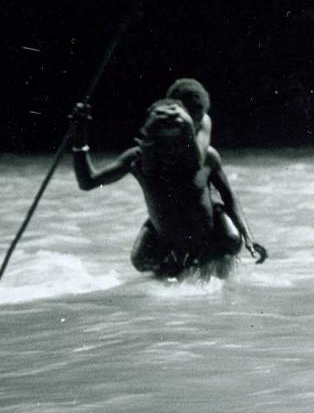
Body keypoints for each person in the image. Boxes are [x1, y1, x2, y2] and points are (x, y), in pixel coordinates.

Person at [69, 98, 264, 277]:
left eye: (177, 142)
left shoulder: (206, 157)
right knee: (142, 261)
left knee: (231, 240)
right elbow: (88, 182)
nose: (171, 150)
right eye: (163, 143)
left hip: (209, 235)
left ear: (187, 138)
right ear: (151, 141)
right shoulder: (137, 159)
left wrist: (248, 237)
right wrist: (79, 136)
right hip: (167, 238)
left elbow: (229, 196)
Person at [166, 77, 212, 160]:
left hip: (190, 162)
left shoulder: (203, 120)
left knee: (211, 155)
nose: (197, 123)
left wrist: (189, 125)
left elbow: (198, 161)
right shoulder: (163, 120)